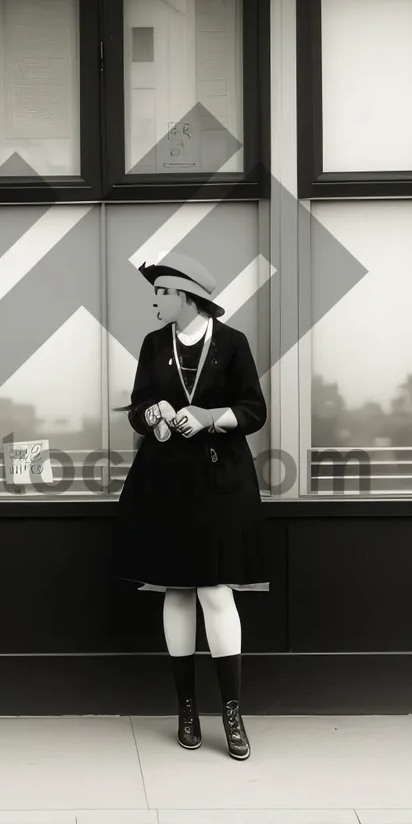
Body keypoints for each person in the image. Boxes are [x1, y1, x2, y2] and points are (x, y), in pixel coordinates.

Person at [114, 253, 268, 761]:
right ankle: (185, 708)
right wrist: (152, 414)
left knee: (217, 592)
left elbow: (253, 410)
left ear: (184, 296)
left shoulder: (232, 342)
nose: (155, 301)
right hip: (165, 485)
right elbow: (137, 409)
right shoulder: (153, 345)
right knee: (176, 593)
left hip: (220, 485)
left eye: (161, 293)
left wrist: (208, 417)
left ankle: (231, 711)